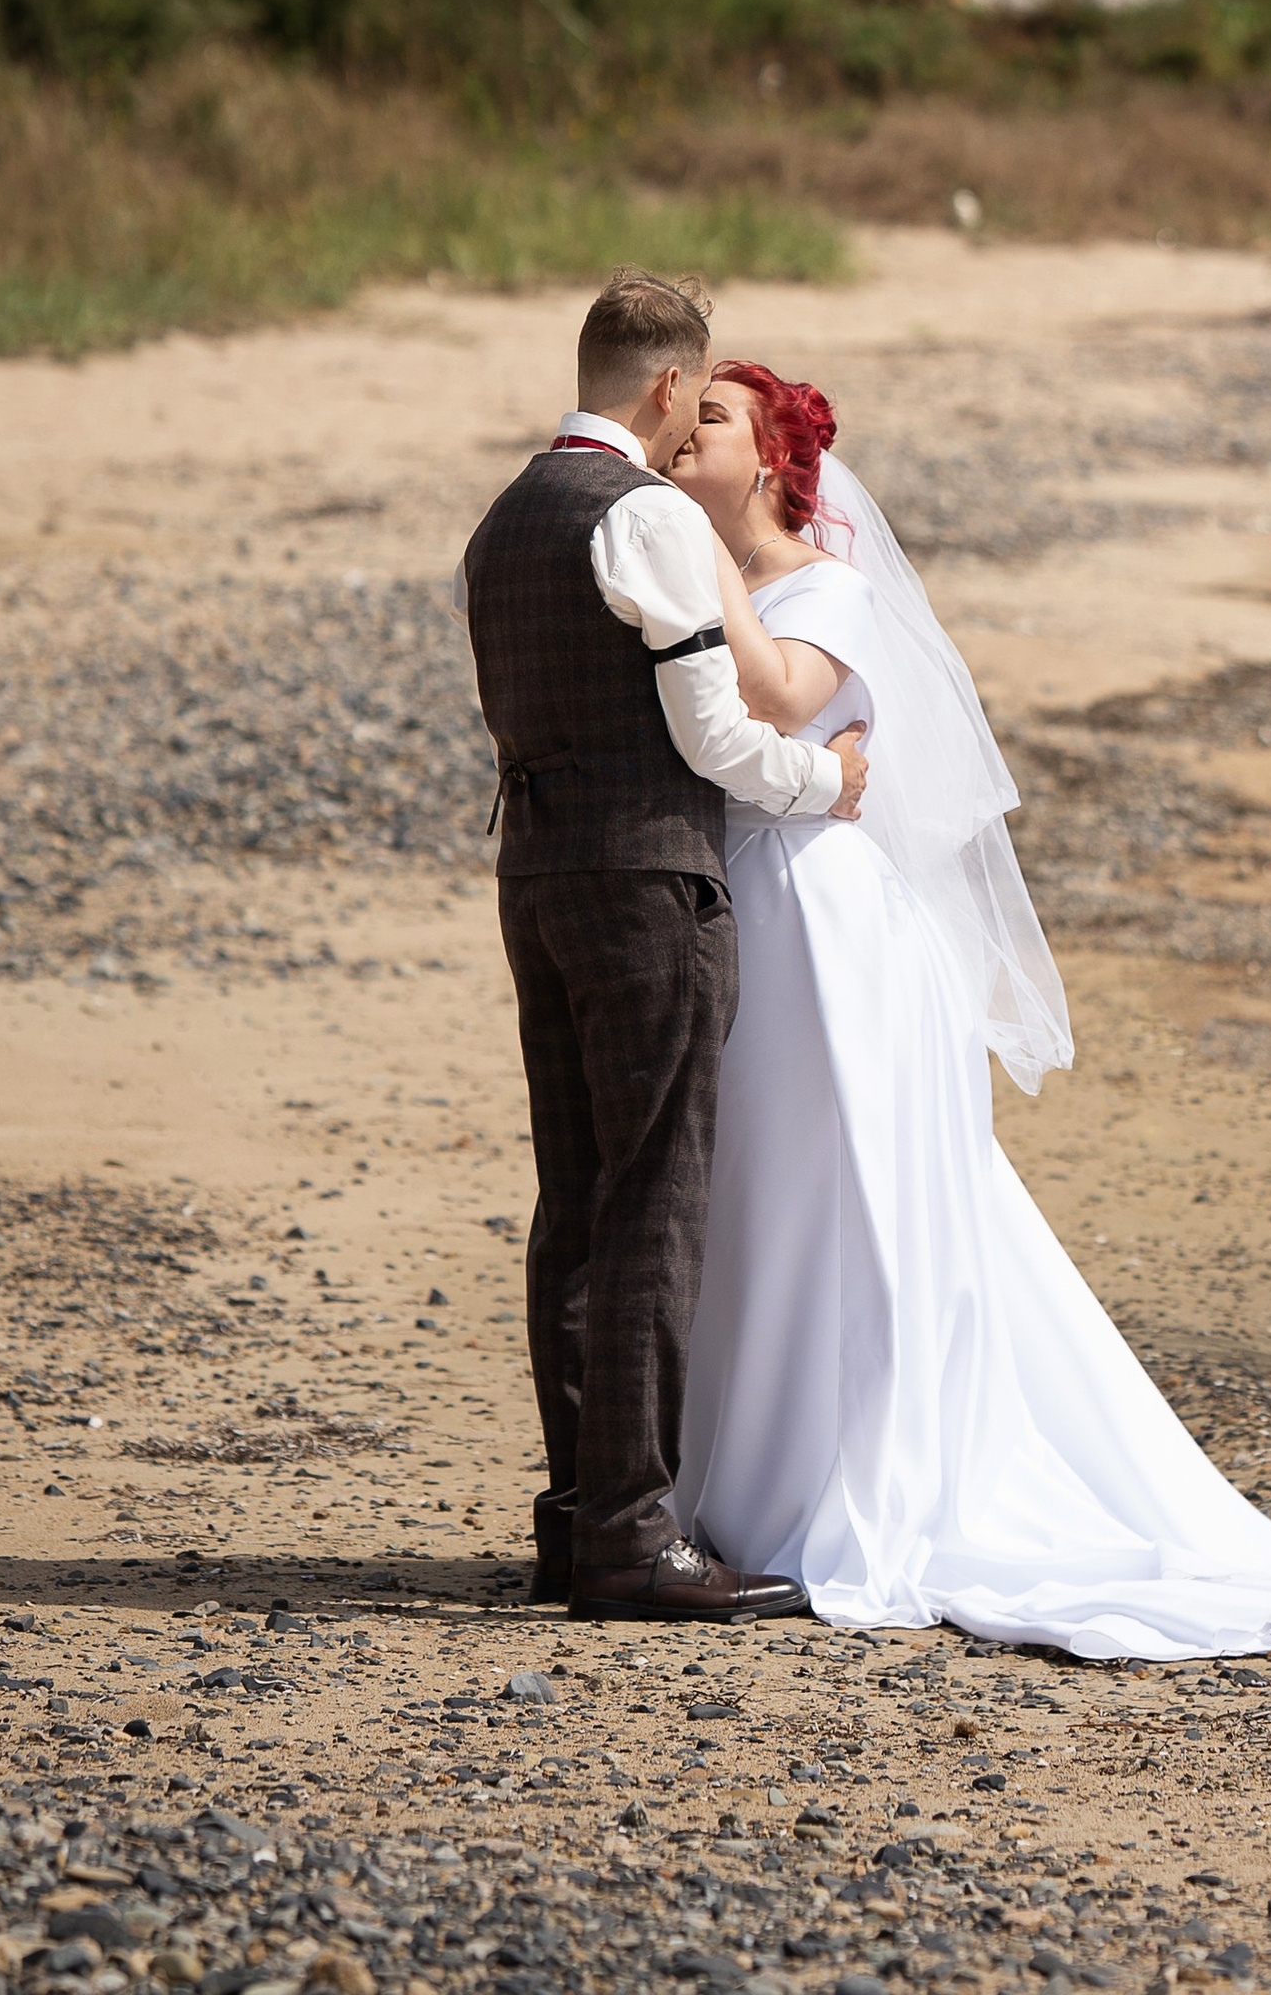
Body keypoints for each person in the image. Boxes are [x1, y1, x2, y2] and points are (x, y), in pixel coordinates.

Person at [663, 359, 1271, 1659]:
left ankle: (838, 1485)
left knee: (848, 1190)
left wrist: (696, 563)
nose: (677, 430)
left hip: (834, 931)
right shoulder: (700, 577)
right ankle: (744, 1485)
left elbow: (782, 699)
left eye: (709, 417)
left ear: (767, 461)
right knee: (762, 1190)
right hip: (749, 911)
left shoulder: (827, 587)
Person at [453, 273, 869, 1623]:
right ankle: (633, 1536)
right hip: (647, 883)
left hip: (536, 874)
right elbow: (714, 739)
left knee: (573, 1198)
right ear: (666, 389)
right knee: (650, 1201)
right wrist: (834, 784)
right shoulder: (641, 516)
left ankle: (579, 1518)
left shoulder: (503, 519)